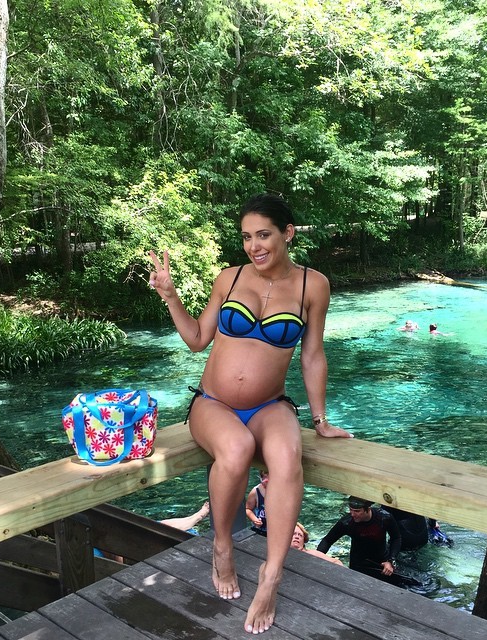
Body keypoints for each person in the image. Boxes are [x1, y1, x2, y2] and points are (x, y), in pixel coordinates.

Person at [148, 192, 353, 634]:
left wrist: (320, 420)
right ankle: (222, 546)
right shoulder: (229, 277)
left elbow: (312, 355)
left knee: (287, 457)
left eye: (263, 235)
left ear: (287, 233)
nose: (254, 246)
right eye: (246, 237)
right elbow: (197, 340)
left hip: (269, 405)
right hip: (213, 403)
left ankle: (271, 574)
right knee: (238, 448)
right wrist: (170, 296)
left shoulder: (313, 285)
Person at [316, 496, 401, 581]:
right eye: (350, 510)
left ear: (368, 509)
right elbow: (327, 541)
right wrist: (316, 559)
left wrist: (391, 561)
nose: (352, 514)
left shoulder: (384, 517)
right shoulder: (347, 523)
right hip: (358, 565)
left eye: (357, 511)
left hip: (382, 563)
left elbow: (396, 538)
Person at [245, 470, 269, 536]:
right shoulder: (256, 491)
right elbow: (248, 509)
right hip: (260, 529)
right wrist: (254, 519)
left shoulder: (282, 492)